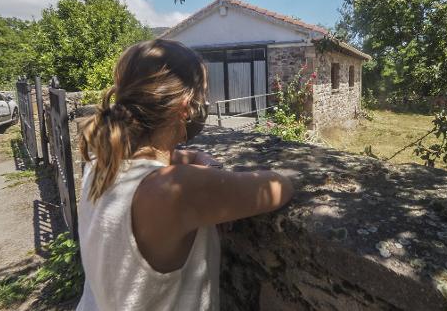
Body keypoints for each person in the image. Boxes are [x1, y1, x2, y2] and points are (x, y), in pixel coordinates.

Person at [76, 39, 294, 310]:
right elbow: (279, 185)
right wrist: (211, 178)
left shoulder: (101, 160)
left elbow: (165, 157)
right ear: (185, 105)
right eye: (203, 94)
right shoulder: (178, 190)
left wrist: (201, 161)